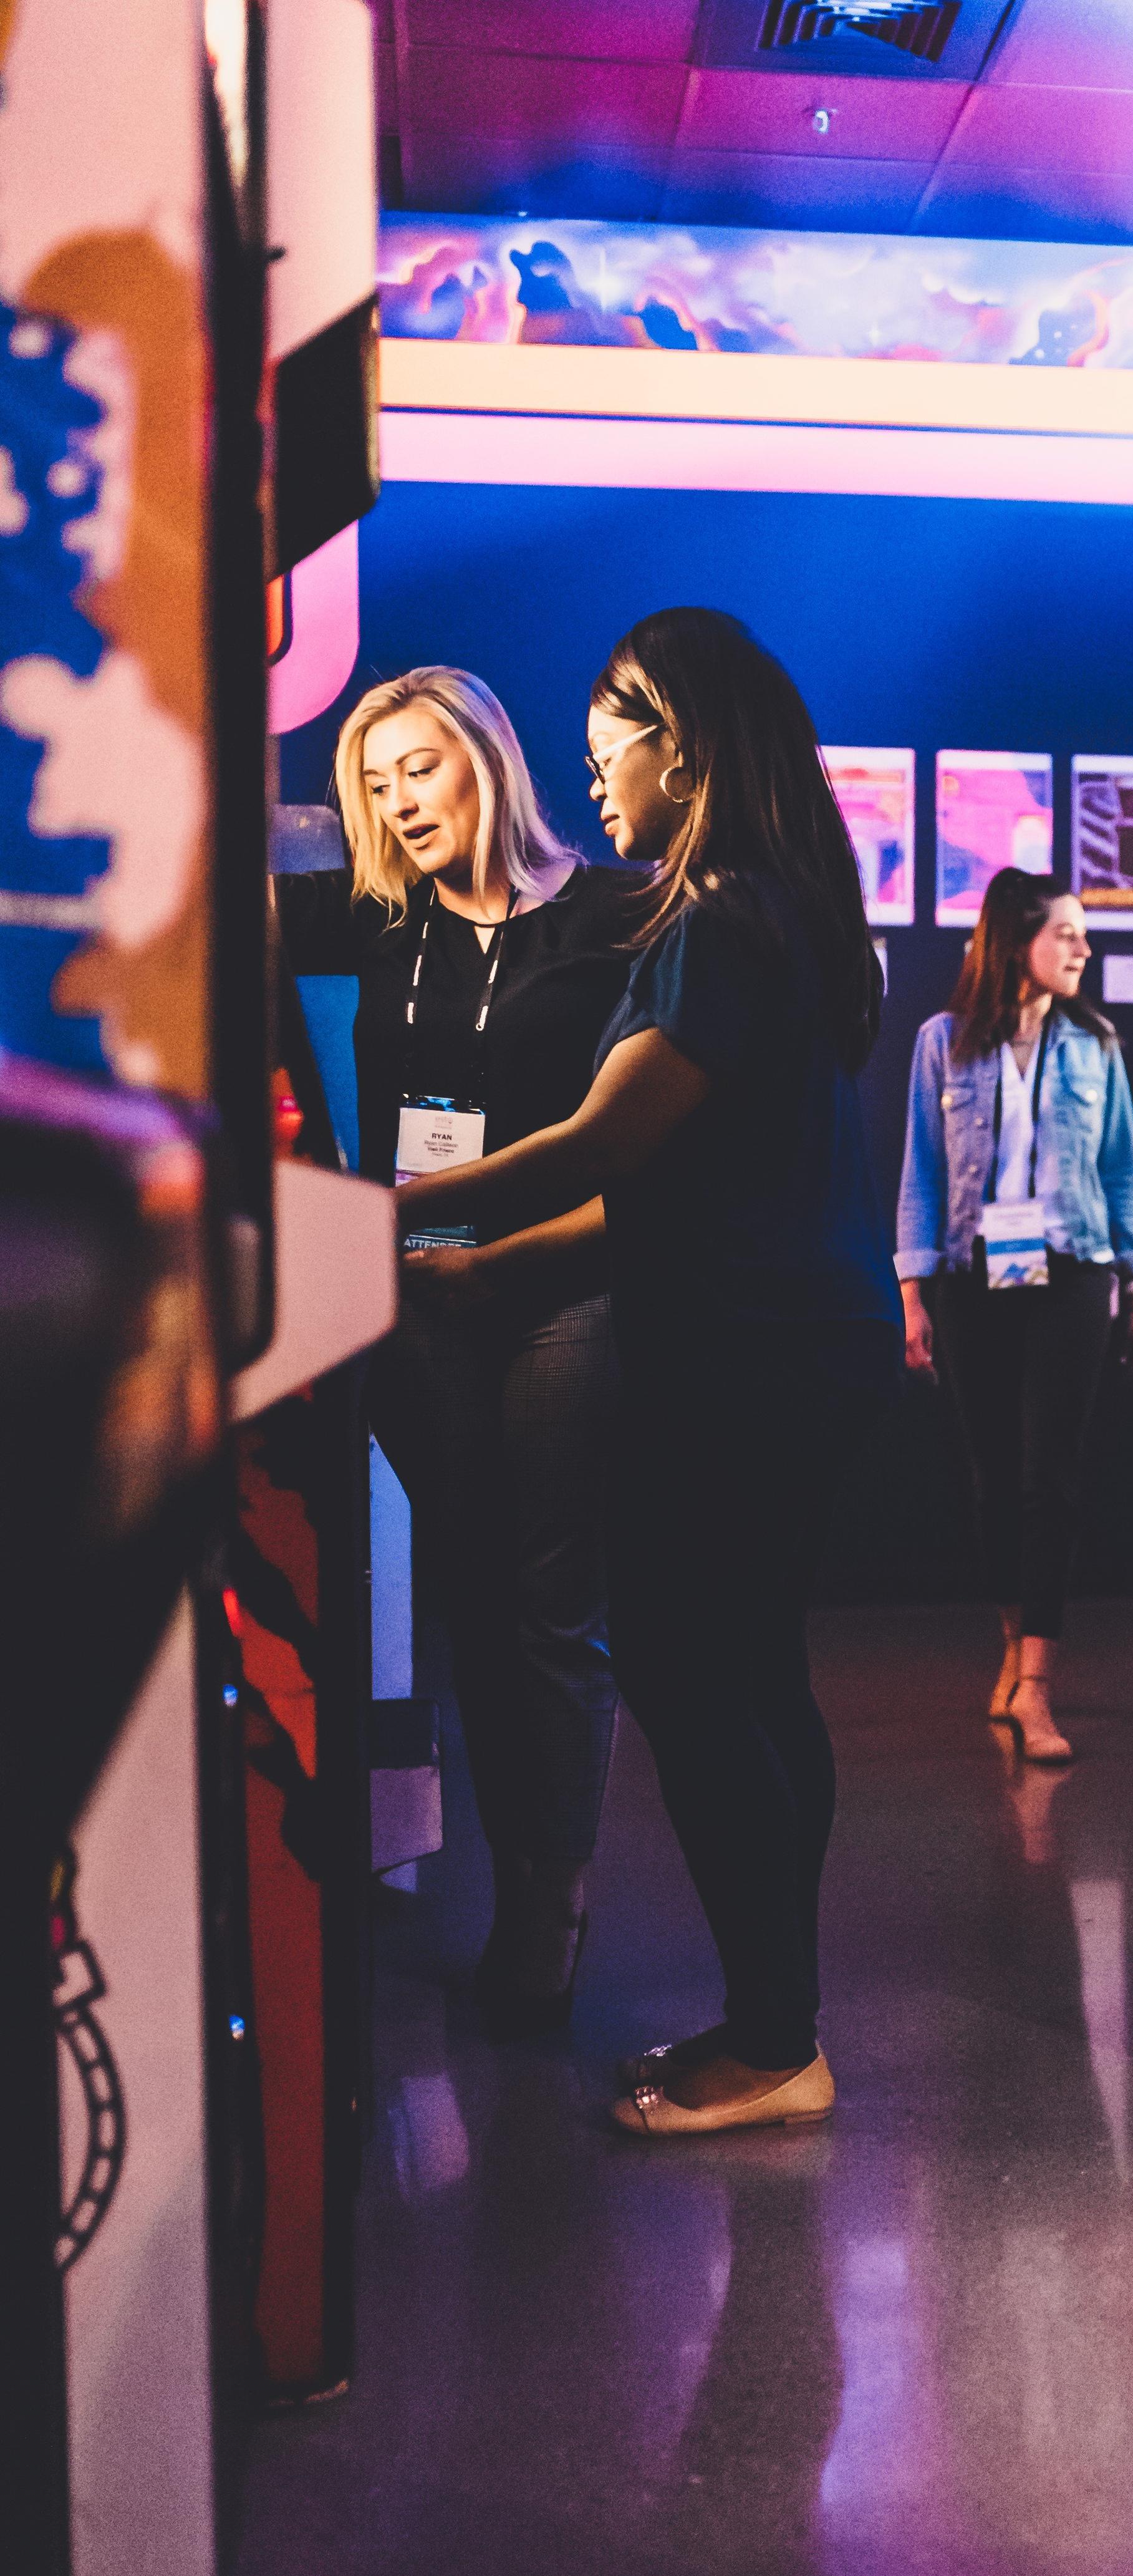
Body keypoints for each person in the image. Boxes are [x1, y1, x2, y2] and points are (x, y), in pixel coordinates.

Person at [392, 608, 901, 2139]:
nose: (594, 771)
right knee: (757, 1674)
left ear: (680, 743)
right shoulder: (790, 914)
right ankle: (776, 2020)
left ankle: (773, 2043)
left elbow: (606, 1142)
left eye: (611, 740)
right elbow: (658, 1185)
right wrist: (481, 1273)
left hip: (734, 1358)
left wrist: (381, 1207)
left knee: (689, 1672)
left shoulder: (716, 922)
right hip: (807, 1343)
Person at [281, 668, 637, 2029]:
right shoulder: (378, 921)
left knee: (547, 1600)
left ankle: (552, 1896)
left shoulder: (608, 912)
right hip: (420, 1301)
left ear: (485, 759)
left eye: (416, 770)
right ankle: (524, 1878)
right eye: (373, 784)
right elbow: (207, 898)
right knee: (476, 1596)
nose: (395, 803)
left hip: (559, 1289)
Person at [895, 870, 1133, 1766]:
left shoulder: (1096, 1044)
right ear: (1015, 942)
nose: (1084, 948)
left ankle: (1038, 1687)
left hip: (1073, 1275)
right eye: (1068, 934)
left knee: (1054, 1478)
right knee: (992, 1482)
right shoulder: (942, 1044)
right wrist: (912, 1295)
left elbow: (1123, 1168)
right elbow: (921, 1174)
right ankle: (1013, 1641)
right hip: (973, 1280)